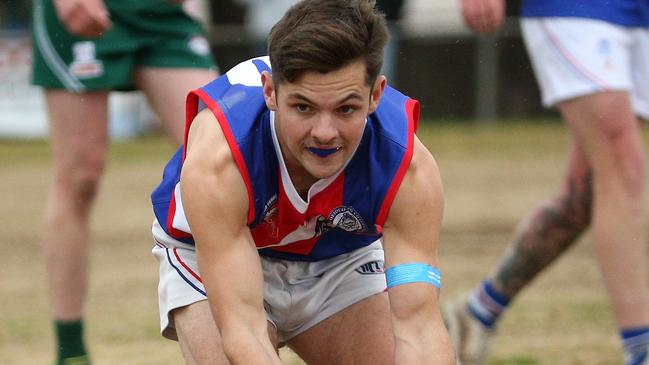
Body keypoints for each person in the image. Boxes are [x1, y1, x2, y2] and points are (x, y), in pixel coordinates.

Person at [150, 0, 455, 363]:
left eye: (346, 108)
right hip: (209, 253)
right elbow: (243, 328)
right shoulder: (221, 158)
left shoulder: (406, 165)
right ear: (270, 92)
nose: (324, 133)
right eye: (303, 107)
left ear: (375, 95)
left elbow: (418, 325)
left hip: (338, 257)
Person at [446, 0, 649, 364]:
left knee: (584, 195)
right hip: (577, 8)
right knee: (623, 167)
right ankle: (641, 349)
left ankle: (477, 312)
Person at [31, 0, 218, 363]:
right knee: (80, 176)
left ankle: (256, 320)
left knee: (221, 154)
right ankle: (71, 351)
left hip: (160, 12)